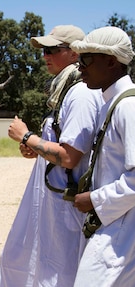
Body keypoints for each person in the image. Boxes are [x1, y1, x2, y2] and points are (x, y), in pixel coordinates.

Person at [0, 25, 104, 287]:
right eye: (44, 50)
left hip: (65, 206)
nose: (45, 56)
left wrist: (26, 137)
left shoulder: (80, 94)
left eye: (52, 50)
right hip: (54, 202)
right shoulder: (65, 91)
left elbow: (70, 157)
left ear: (74, 54)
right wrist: (36, 148)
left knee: (61, 273)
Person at [70, 26, 135, 286]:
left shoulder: (128, 107)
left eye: (86, 59)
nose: (80, 68)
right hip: (113, 223)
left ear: (111, 61)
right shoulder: (111, 102)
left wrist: (95, 199)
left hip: (122, 229)